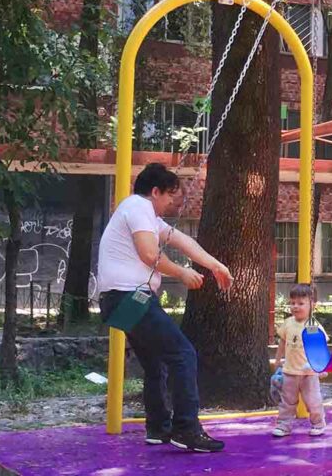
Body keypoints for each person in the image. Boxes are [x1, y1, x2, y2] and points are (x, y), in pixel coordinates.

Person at [98, 163, 233, 452]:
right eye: (171, 194)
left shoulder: (145, 215)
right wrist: (182, 272)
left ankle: (159, 428)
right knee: (183, 354)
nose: (173, 202)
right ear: (155, 191)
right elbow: (149, 254)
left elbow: (184, 241)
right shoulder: (138, 207)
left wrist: (215, 265)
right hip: (128, 296)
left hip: (119, 299)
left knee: (155, 363)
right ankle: (187, 429)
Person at [272, 283, 327, 437]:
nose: (295, 306)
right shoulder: (288, 323)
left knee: (313, 401)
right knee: (287, 402)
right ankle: (283, 425)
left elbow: (320, 349)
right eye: (293, 303)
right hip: (289, 371)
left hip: (309, 373)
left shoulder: (314, 326)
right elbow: (282, 342)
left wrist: (322, 367)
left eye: (301, 303)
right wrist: (277, 360)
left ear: (312, 305)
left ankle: (318, 423)